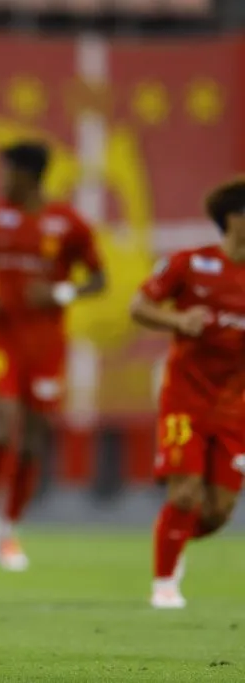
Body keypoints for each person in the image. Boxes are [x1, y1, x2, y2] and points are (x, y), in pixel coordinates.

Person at [0, 142, 106, 571]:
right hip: (2, 338)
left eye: (7, 172)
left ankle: (10, 528)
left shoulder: (68, 223)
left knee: (34, 437)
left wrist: (60, 292)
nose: (1, 180)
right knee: (2, 424)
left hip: (45, 345)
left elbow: (98, 279)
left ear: (30, 175)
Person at [130, 179, 245, 609]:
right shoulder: (190, 264)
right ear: (234, 219)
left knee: (216, 513)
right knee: (184, 494)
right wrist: (177, 321)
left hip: (235, 409)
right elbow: (138, 306)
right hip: (186, 398)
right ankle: (164, 583)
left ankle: (171, 539)